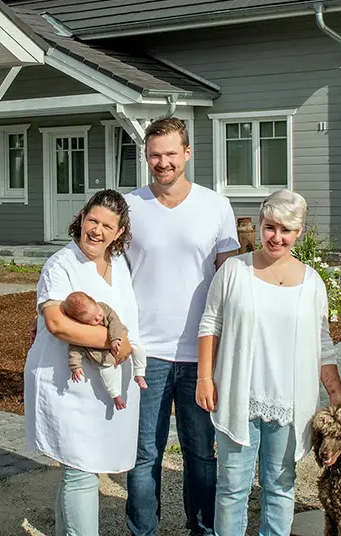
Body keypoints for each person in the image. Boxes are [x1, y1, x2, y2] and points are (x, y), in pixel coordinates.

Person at [195, 189, 341, 536]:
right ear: (260, 225)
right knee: (232, 487)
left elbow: (322, 341)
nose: (276, 237)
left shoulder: (312, 282)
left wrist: (336, 394)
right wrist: (205, 377)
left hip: (289, 402)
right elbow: (210, 323)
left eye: (286, 230)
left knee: (280, 486)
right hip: (239, 395)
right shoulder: (234, 270)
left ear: (299, 233)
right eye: (269, 227)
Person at [124, 117, 240, 536]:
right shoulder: (129, 206)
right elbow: (100, 263)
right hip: (145, 354)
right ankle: (143, 531)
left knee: (201, 455)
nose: (163, 162)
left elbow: (230, 277)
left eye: (171, 153)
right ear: (146, 156)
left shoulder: (215, 205)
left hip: (200, 354)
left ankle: (202, 530)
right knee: (143, 456)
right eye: (155, 154)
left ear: (187, 153)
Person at [26, 189, 141, 535]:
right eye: (93, 220)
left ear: (119, 233)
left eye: (108, 225)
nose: (97, 231)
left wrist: (124, 348)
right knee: (80, 469)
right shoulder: (61, 264)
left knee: (81, 469)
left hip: (105, 387)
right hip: (66, 383)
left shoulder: (120, 265)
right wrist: (119, 344)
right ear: (81, 217)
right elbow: (57, 323)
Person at [61, 290, 149, 410]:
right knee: (106, 370)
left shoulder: (104, 307)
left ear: (94, 301)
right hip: (101, 353)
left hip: (120, 337)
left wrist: (115, 339)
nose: (99, 318)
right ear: (81, 322)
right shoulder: (80, 330)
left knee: (138, 346)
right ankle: (115, 395)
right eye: (94, 320)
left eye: (98, 312)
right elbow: (74, 348)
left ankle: (139, 374)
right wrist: (75, 366)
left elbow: (115, 322)